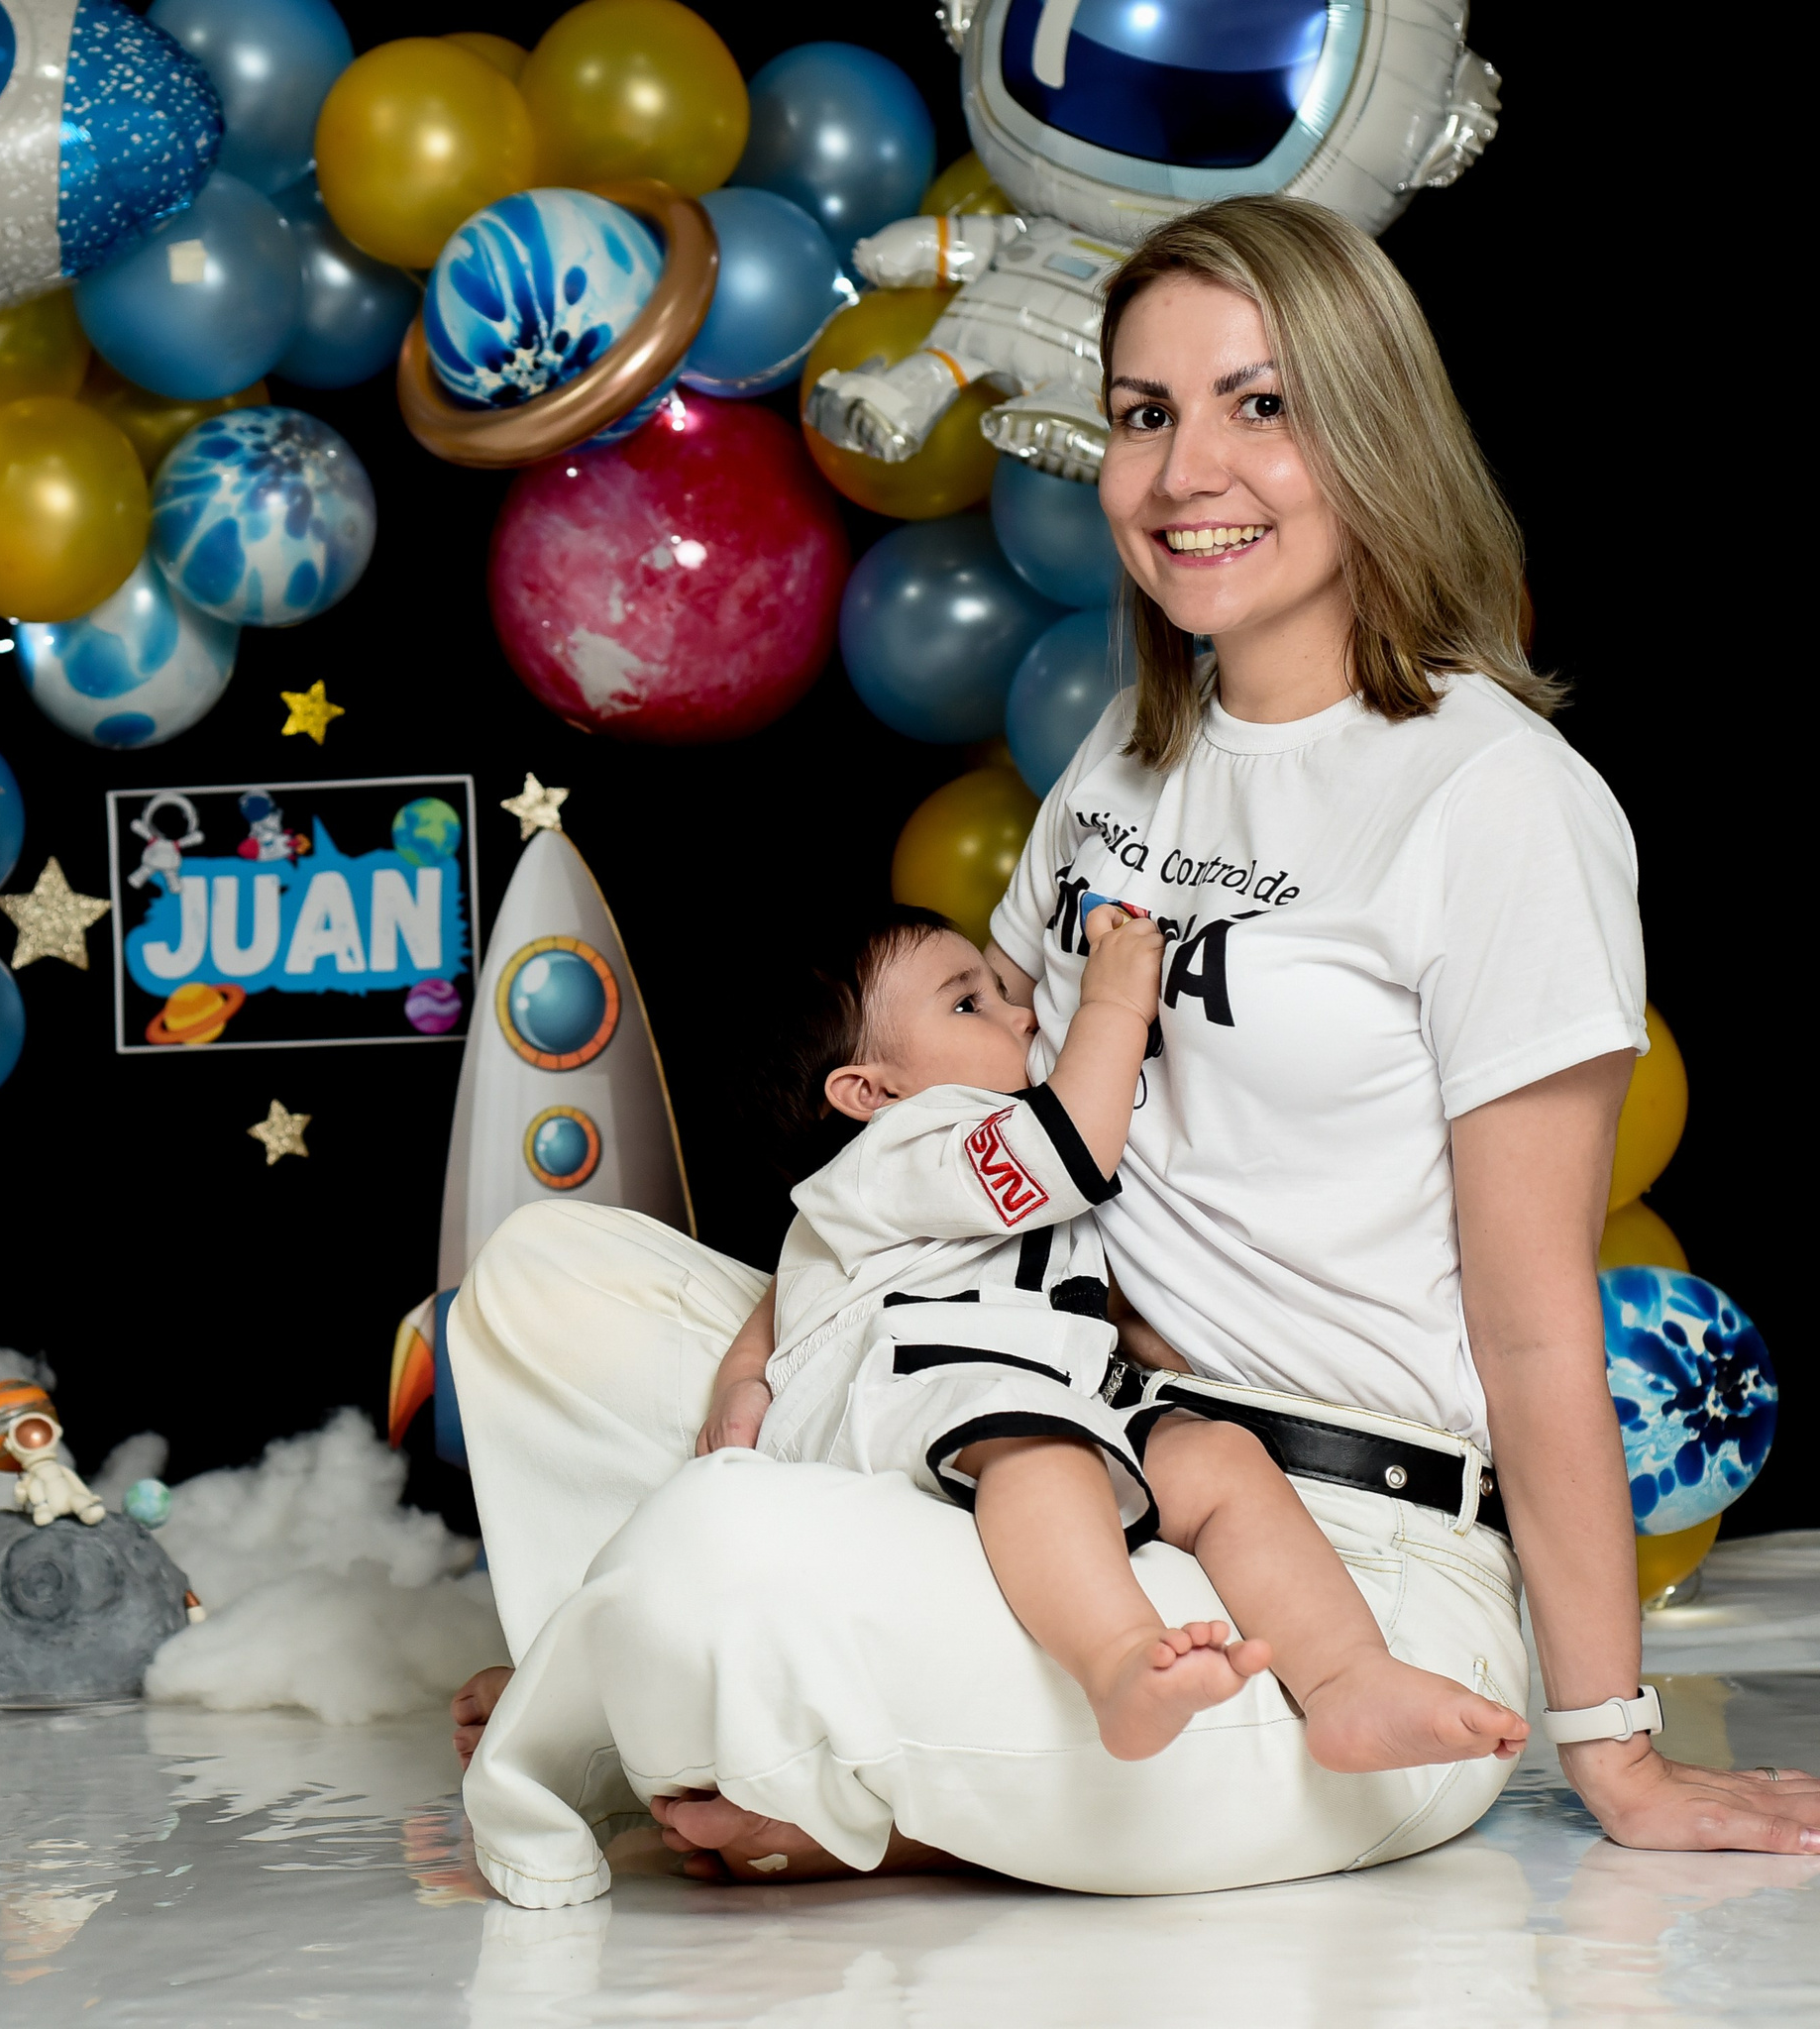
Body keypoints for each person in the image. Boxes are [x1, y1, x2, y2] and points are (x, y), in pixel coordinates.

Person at [445, 194, 1819, 1909]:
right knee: (542, 1286)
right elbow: (958, 1137)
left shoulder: (1497, 801)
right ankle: (713, 1693)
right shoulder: (1125, 760)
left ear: (1375, 428)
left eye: (1261, 405)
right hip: (1038, 1435)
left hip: (1344, 1562)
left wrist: (1614, 1748)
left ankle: (696, 1694)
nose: (1185, 474)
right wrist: (764, 1361)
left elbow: (1539, 1328)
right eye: (1144, 414)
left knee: (735, 1543)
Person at [746, 901, 1528, 1769]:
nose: (1021, 1014)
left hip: (1026, 1399)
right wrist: (1113, 1003)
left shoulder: (923, 1169)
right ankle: (1119, 1658)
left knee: (1218, 1458)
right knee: (1039, 1441)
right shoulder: (904, 1144)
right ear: (871, 1092)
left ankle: (1348, 1679)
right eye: (969, 1004)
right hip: (907, 1403)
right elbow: (1073, 1147)